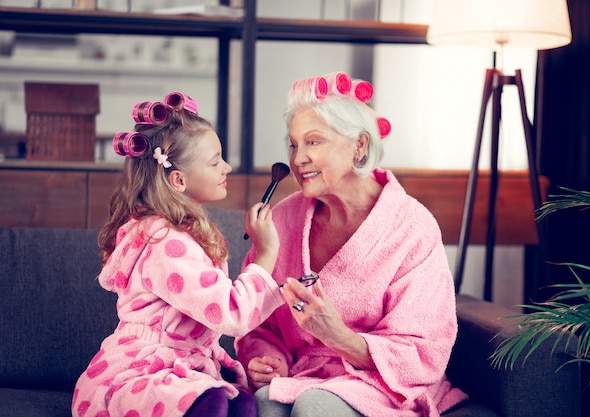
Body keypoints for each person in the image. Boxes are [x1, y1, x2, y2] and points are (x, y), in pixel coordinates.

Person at [235, 73, 468, 417]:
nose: (298, 158)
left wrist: (338, 336)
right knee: (266, 403)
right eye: (294, 144)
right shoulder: (283, 221)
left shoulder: (411, 228)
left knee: (315, 406)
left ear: (359, 145)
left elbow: (422, 352)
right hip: (304, 377)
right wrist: (267, 361)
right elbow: (258, 324)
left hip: (384, 386)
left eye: (314, 142)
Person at [72, 92, 284, 417]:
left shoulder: (182, 231)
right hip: (141, 370)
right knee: (209, 402)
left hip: (184, 364)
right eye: (215, 162)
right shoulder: (165, 241)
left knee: (242, 404)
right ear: (179, 180)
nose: (226, 167)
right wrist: (266, 253)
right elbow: (231, 313)